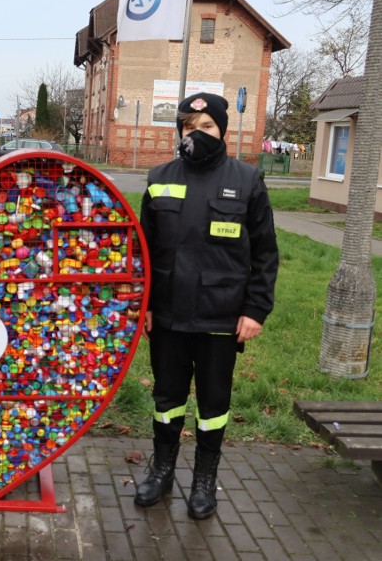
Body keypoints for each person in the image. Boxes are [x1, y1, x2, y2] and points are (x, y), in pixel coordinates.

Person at [136, 93, 278, 519]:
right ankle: (161, 472)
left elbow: (266, 254)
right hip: (169, 315)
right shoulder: (159, 177)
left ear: (222, 131)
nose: (195, 135)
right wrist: (143, 305)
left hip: (221, 316)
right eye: (188, 127)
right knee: (167, 398)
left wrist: (255, 310)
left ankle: (203, 480)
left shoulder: (248, 180)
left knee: (213, 404)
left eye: (205, 127)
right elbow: (142, 250)